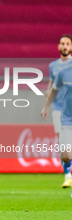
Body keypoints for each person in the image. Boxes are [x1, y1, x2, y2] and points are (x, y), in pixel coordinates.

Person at [43, 34, 72, 188]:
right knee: (63, 145)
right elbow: (52, 84)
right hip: (59, 108)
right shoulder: (53, 66)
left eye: (68, 43)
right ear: (59, 46)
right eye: (62, 43)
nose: (65, 46)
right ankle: (68, 175)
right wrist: (47, 102)